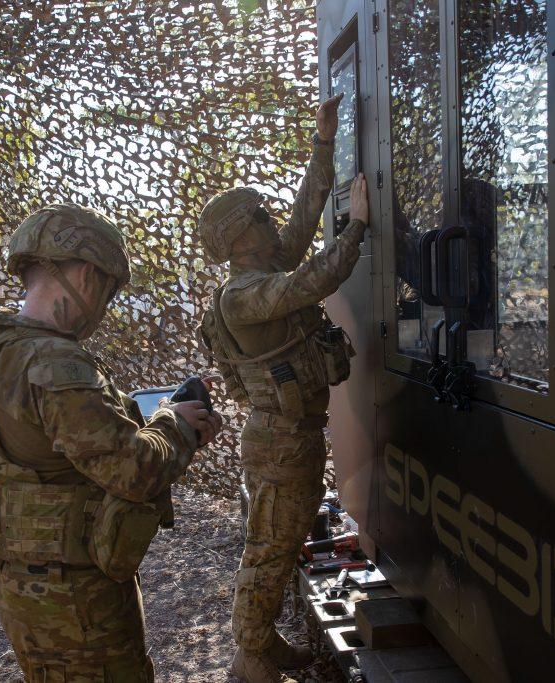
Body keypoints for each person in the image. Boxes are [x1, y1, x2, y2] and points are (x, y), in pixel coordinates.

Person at [0, 204, 222, 681]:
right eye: (107, 291)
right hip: (78, 601)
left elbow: (52, 450)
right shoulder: (56, 365)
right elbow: (134, 472)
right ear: (85, 275)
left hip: (24, 590)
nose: (103, 307)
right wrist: (178, 426)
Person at [196, 95, 369, 683]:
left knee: (277, 540)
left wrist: (324, 143)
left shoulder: (264, 269)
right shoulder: (242, 295)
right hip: (281, 439)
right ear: (239, 234)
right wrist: (359, 227)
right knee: (270, 548)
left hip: (289, 436)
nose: (273, 222)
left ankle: (262, 643)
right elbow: (316, 276)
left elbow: (302, 216)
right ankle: (250, 656)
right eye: (260, 217)